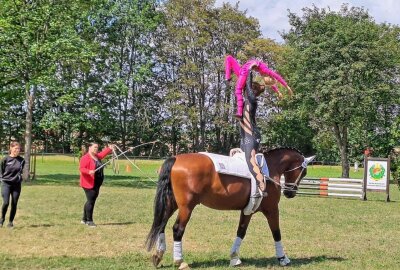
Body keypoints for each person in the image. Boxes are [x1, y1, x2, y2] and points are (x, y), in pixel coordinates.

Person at [239, 72, 274, 196]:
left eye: (247, 89)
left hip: (252, 135)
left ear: (253, 90)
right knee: (239, 157)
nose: (244, 91)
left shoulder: (252, 100)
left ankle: (261, 186)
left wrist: (248, 72)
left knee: (250, 160)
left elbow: (247, 85)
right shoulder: (244, 103)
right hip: (244, 136)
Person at [225, 55, 293, 118]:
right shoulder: (266, 70)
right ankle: (227, 78)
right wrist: (287, 87)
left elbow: (273, 85)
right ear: (269, 77)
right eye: (267, 81)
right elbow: (277, 77)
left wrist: (278, 92)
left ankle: (240, 112)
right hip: (241, 71)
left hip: (245, 72)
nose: (264, 80)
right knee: (229, 58)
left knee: (238, 90)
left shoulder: (264, 73)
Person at [79, 142, 114, 227]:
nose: (96, 149)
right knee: (91, 201)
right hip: (88, 183)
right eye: (94, 147)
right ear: (89, 148)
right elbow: (81, 168)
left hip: (97, 183)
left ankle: (84, 219)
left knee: (90, 200)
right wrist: (89, 171)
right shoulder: (85, 158)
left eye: (97, 148)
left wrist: (110, 148)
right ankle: (89, 221)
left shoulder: (97, 156)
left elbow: (102, 154)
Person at [0, 141, 25, 228]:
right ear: (11, 148)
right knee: (6, 203)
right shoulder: (5, 159)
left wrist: (19, 178)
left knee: (14, 203)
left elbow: (20, 172)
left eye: (18, 149)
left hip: (16, 185)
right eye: (15, 148)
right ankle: (2, 219)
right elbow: (1, 171)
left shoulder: (22, 160)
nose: (17, 150)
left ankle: (10, 222)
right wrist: (2, 179)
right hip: (6, 184)